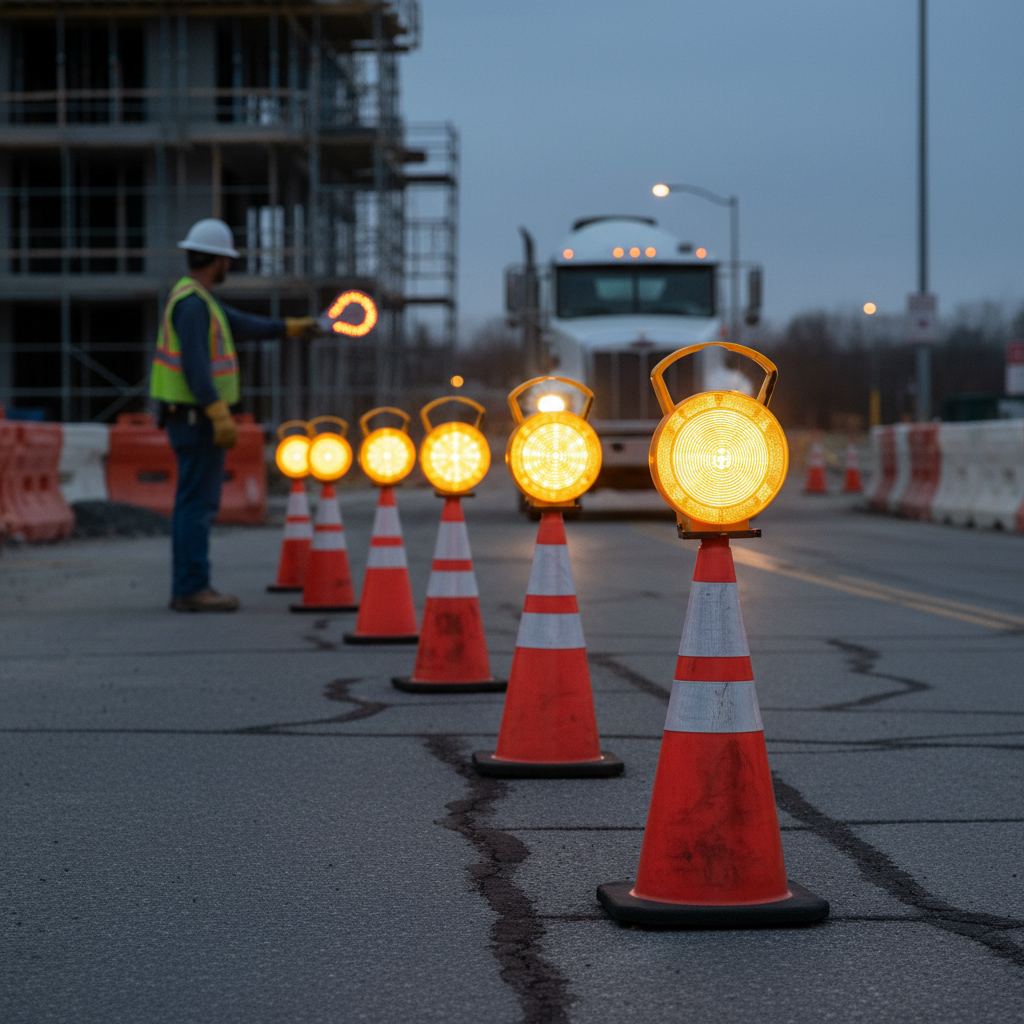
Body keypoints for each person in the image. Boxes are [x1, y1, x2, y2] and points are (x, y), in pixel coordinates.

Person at [150, 218, 317, 612]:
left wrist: (290, 328)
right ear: (218, 261)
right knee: (197, 505)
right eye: (229, 260)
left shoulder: (198, 299)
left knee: (192, 502)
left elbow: (243, 324)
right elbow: (195, 366)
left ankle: (189, 585)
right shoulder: (192, 305)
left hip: (190, 418)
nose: (230, 267)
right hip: (195, 419)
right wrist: (216, 412)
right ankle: (192, 588)